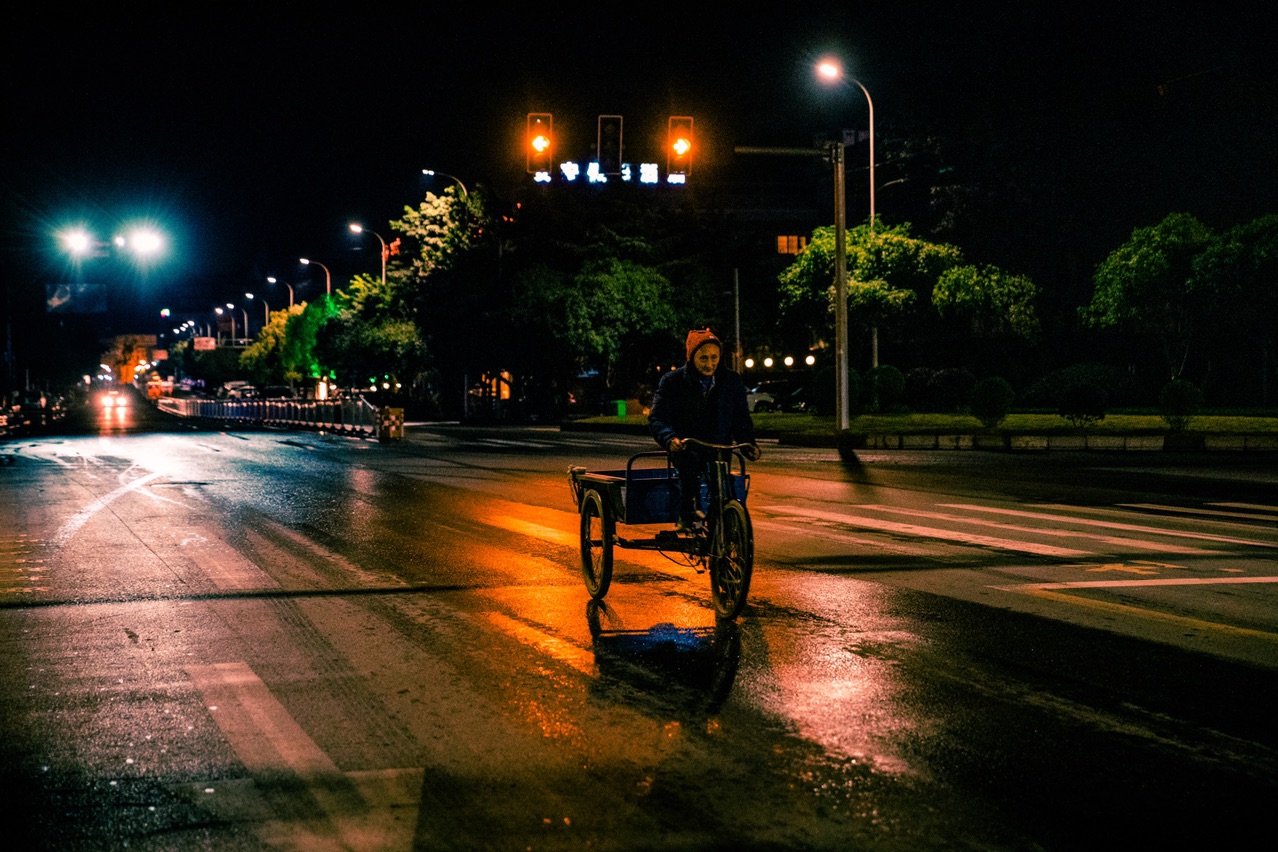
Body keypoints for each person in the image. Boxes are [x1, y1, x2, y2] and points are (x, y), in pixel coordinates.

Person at [649, 328, 761, 532]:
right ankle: (686, 514)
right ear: (691, 358)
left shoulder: (732, 381)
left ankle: (722, 525)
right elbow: (658, 418)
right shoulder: (672, 382)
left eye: (714, 357)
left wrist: (748, 443)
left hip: (720, 446)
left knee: (723, 492)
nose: (710, 364)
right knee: (689, 474)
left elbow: (741, 418)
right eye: (703, 358)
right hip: (687, 446)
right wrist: (670, 438)